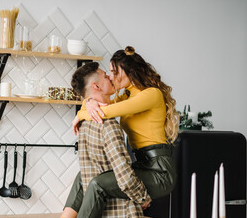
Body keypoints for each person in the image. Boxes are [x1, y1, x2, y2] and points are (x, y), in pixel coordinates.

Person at [48, 62, 151, 218]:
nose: (110, 77)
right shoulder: (108, 125)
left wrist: (88, 101)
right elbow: (123, 173)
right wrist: (143, 197)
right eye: (105, 76)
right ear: (96, 86)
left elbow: (88, 176)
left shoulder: (85, 123)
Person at [73, 46, 179, 199]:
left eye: (114, 72)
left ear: (129, 71)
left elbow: (103, 113)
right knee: (81, 177)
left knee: (98, 182)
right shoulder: (126, 96)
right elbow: (99, 104)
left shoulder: (151, 94)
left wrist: (80, 115)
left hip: (159, 170)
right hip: (141, 164)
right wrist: (88, 102)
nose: (110, 77)